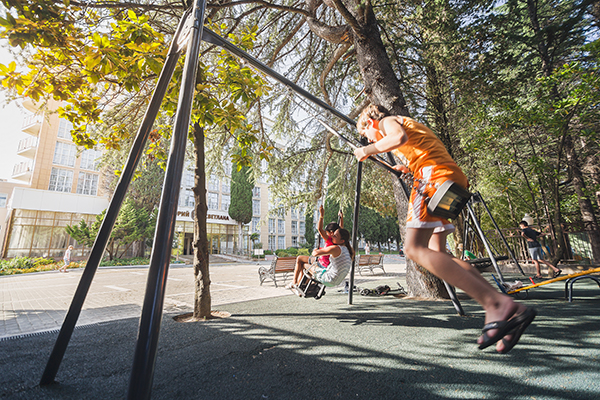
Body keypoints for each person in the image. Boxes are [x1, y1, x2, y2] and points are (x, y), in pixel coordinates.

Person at [353, 104, 536, 354]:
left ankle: (495, 303)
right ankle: (509, 309)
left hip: (432, 178)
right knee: (438, 252)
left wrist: (367, 149)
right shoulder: (407, 122)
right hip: (450, 178)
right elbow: (417, 145)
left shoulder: (386, 123)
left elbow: (398, 138)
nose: (370, 139)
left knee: (414, 248)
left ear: (370, 123)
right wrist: (406, 168)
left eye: (367, 135)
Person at [285, 205, 342, 290]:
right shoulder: (339, 240)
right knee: (302, 263)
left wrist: (321, 215)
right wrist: (341, 218)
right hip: (324, 263)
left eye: (327, 232)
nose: (325, 234)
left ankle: (294, 282)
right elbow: (341, 229)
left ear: (331, 232)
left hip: (321, 263)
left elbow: (319, 229)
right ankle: (299, 284)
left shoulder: (330, 239)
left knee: (300, 259)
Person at [288, 228, 353, 294]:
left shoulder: (336, 248)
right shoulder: (348, 250)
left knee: (304, 264)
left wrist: (315, 250)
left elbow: (315, 254)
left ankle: (295, 284)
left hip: (329, 279)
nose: (332, 236)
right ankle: (301, 286)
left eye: (335, 236)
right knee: (307, 266)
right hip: (336, 281)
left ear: (342, 241)